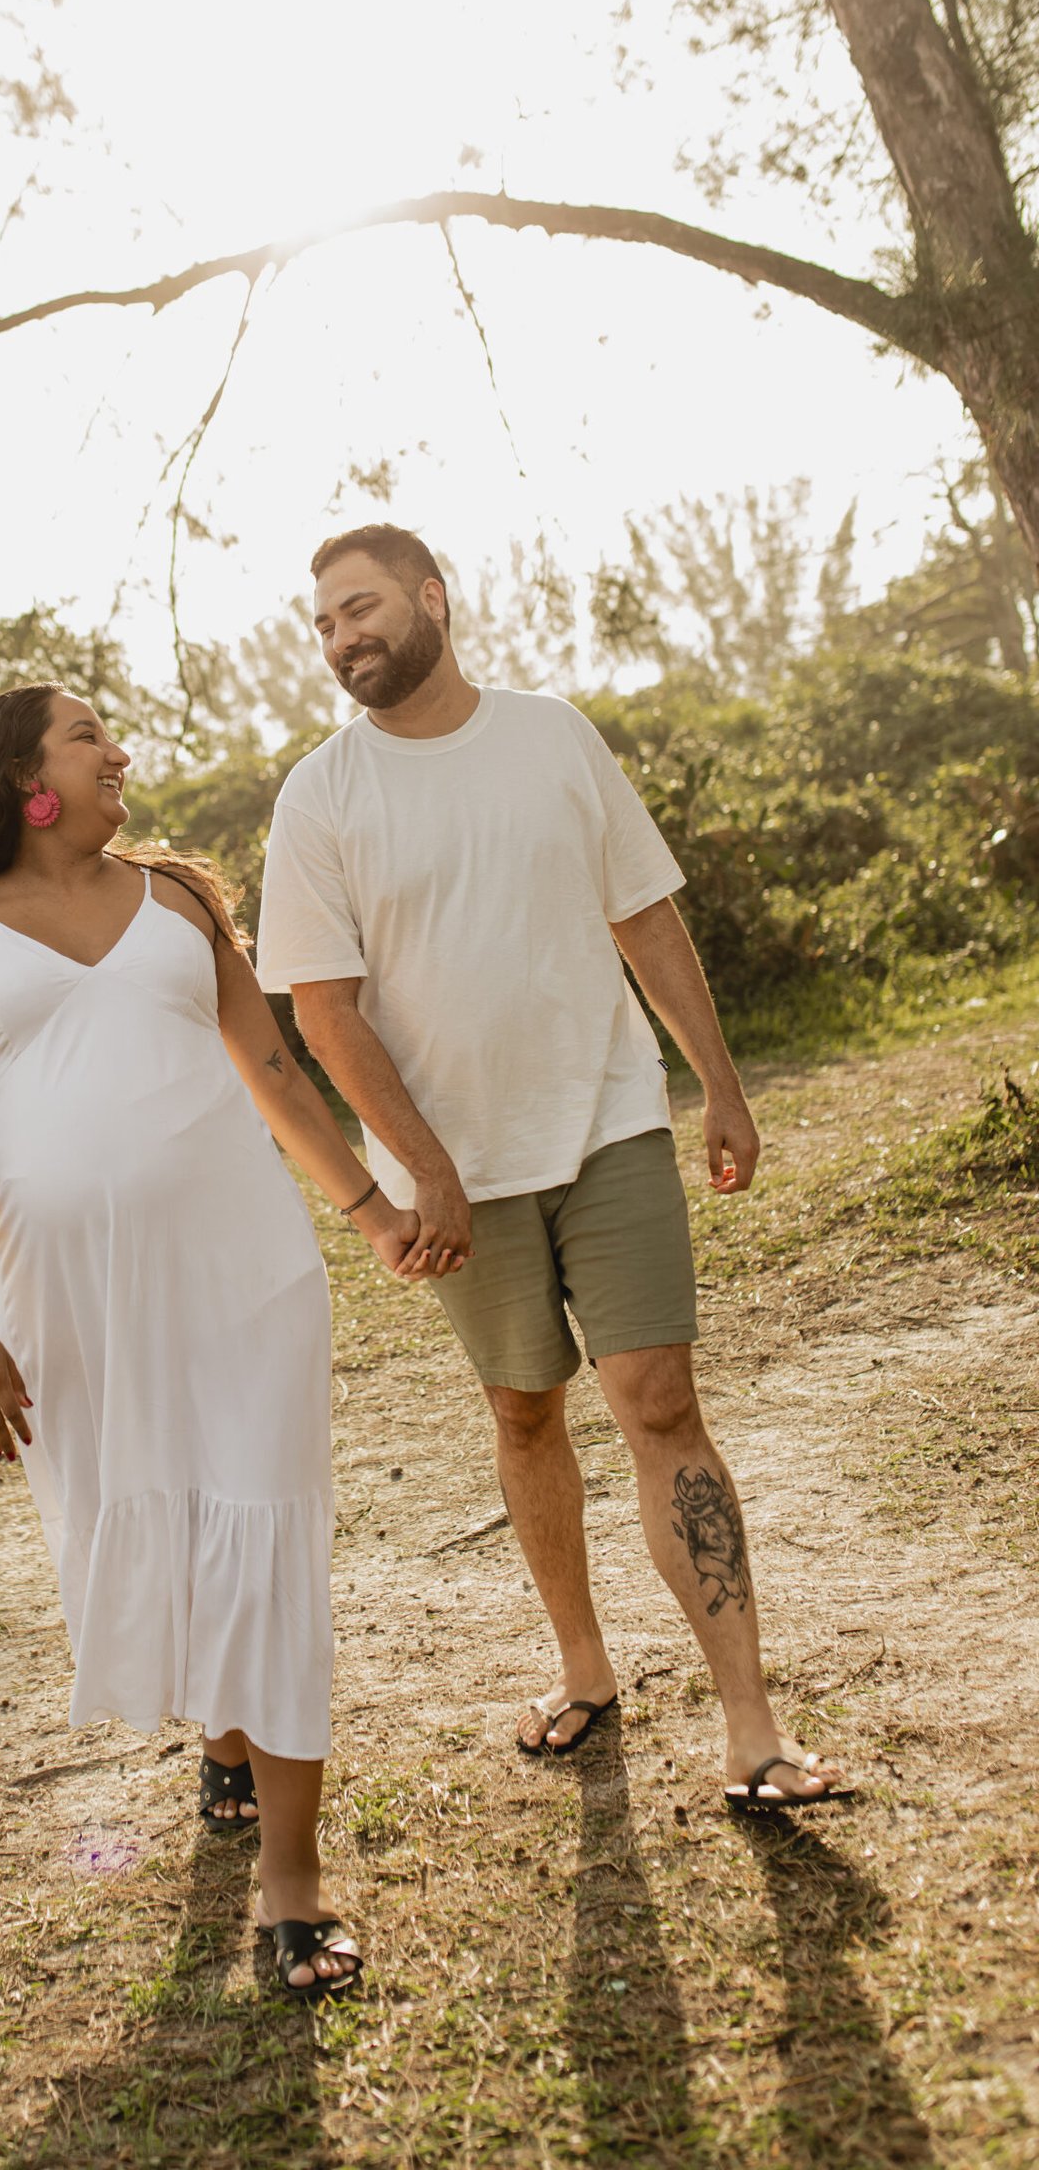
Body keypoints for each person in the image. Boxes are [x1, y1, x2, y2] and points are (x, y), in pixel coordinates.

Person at [255, 525, 843, 1814]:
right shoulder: (321, 796)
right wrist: (425, 1170)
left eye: (360, 608)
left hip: (606, 1121)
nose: (342, 638)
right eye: (324, 624)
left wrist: (719, 1081)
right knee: (524, 1410)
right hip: (456, 1176)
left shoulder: (553, 736)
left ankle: (752, 1728)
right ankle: (585, 1668)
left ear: (430, 597)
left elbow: (643, 914)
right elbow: (323, 1012)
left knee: (660, 1401)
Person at [0, 682, 424, 1994]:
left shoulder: (179, 902)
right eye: (89, 736)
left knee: (266, 1530)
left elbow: (274, 1071)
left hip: (244, 1271)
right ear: (28, 782)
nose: (119, 751)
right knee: (168, 1524)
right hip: (75, 1305)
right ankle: (227, 1740)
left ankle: (292, 1885)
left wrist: (370, 1212)